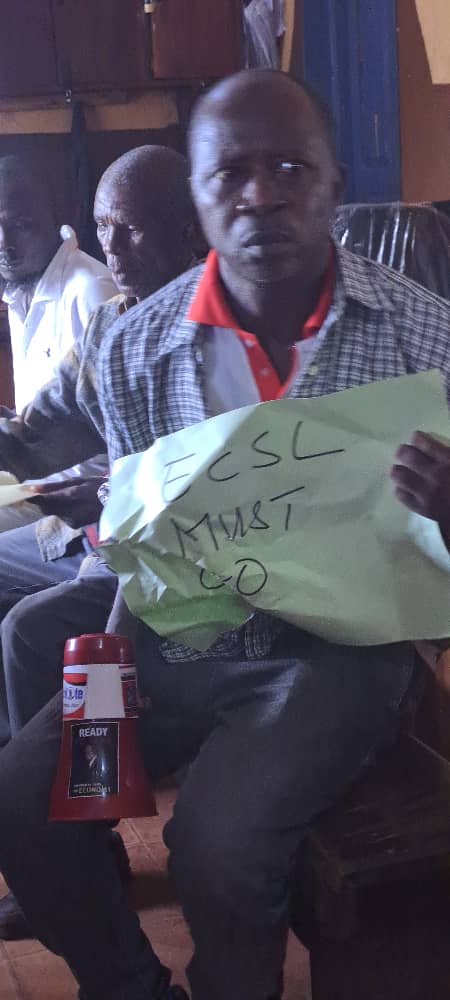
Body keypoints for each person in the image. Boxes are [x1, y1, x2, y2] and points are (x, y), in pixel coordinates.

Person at [0, 70, 449, 1000]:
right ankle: (128, 986)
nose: (260, 195)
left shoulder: (424, 338)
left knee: (218, 842)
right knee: (27, 794)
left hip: (339, 652)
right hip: (175, 626)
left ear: (333, 181)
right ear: (199, 198)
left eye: (290, 168)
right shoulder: (133, 348)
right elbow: (141, 540)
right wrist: (108, 691)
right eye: (229, 173)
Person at [0, 144, 195, 939]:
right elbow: (37, 433)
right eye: (104, 226)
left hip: (193, 573)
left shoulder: (211, 326)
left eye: (132, 229)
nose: (112, 247)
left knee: (95, 657)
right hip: (121, 550)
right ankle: (83, 848)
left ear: (187, 231)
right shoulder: (114, 323)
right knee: (29, 635)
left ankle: (90, 826)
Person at [0, 155, 116, 532]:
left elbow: (109, 441)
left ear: (61, 215)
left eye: (20, 225)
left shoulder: (90, 291)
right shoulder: (20, 292)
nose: (4, 244)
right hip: (34, 476)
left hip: (80, 497)